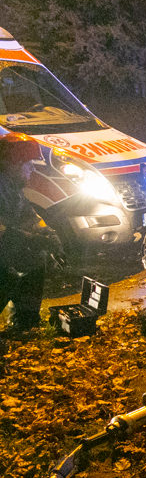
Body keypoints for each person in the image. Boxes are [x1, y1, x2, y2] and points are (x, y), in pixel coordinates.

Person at [0, 133, 63, 331]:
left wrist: (49, 234)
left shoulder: (11, 186)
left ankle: (25, 323)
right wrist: (34, 240)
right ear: (15, 164)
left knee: (35, 261)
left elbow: (29, 216)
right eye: (29, 164)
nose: (33, 169)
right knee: (8, 275)